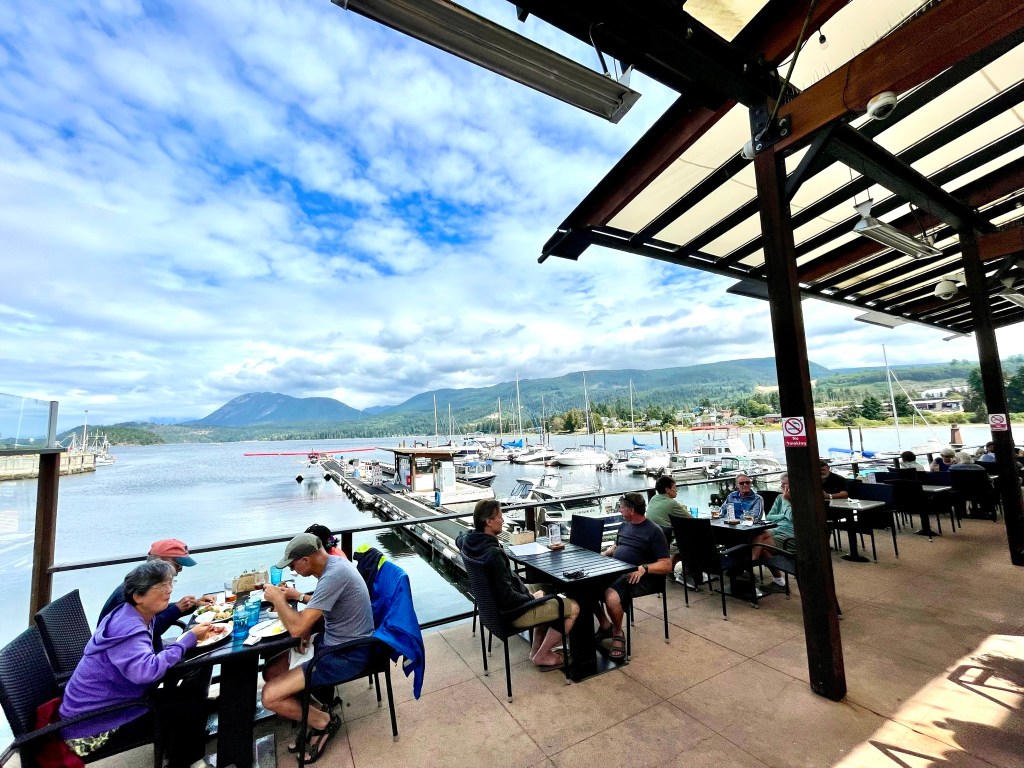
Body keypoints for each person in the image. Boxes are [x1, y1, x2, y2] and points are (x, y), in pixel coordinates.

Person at [60, 560, 221, 767]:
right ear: (138, 596)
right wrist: (186, 641)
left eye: (170, 583)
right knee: (189, 711)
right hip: (94, 727)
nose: (169, 590)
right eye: (161, 586)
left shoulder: (135, 614)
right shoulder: (127, 628)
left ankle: (180, 752)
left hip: (113, 704)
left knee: (191, 698)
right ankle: (184, 762)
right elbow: (147, 672)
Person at [261, 533, 374, 762]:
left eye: (293, 565)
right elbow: (321, 608)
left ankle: (323, 723)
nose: (293, 570)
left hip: (346, 653)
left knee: (269, 696)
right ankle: (319, 711)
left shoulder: (334, 574)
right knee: (271, 671)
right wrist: (299, 601)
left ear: (306, 559)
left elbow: (296, 628)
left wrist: (279, 600)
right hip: (332, 641)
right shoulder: (333, 564)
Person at [456, 500, 579, 669]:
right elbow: (508, 598)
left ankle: (536, 649)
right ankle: (542, 655)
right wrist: (531, 598)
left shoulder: (469, 542)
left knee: (547, 589)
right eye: (500, 517)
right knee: (573, 607)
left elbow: (460, 537)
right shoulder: (493, 554)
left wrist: (534, 595)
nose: (503, 520)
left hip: (495, 609)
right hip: (512, 612)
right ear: (488, 522)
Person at [98, 539, 213, 651]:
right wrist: (177, 609)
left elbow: (154, 613)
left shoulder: (143, 586)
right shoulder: (132, 593)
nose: (180, 570)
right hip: (140, 657)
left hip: (151, 649)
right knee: (203, 649)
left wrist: (193, 605)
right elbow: (148, 631)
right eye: (177, 564)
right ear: (158, 561)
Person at [596, 493, 671, 662]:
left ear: (630, 510)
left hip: (640, 577)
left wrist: (644, 568)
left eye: (621, 507)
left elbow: (667, 564)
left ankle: (617, 632)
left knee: (611, 596)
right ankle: (604, 624)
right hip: (616, 570)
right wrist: (603, 554)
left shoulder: (654, 531)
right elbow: (617, 545)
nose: (619, 510)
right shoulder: (624, 526)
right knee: (585, 586)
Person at [751, 474, 794, 591]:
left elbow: (792, 518)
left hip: (792, 534)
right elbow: (770, 516)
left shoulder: (798, 498)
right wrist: (783, 515)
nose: (781, 485)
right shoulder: (780, 498)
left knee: (761, 547)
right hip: (777, 528)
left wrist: (786, 501)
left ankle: (778, 580)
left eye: (784, 484)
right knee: (758, 535)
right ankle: (752, 564)